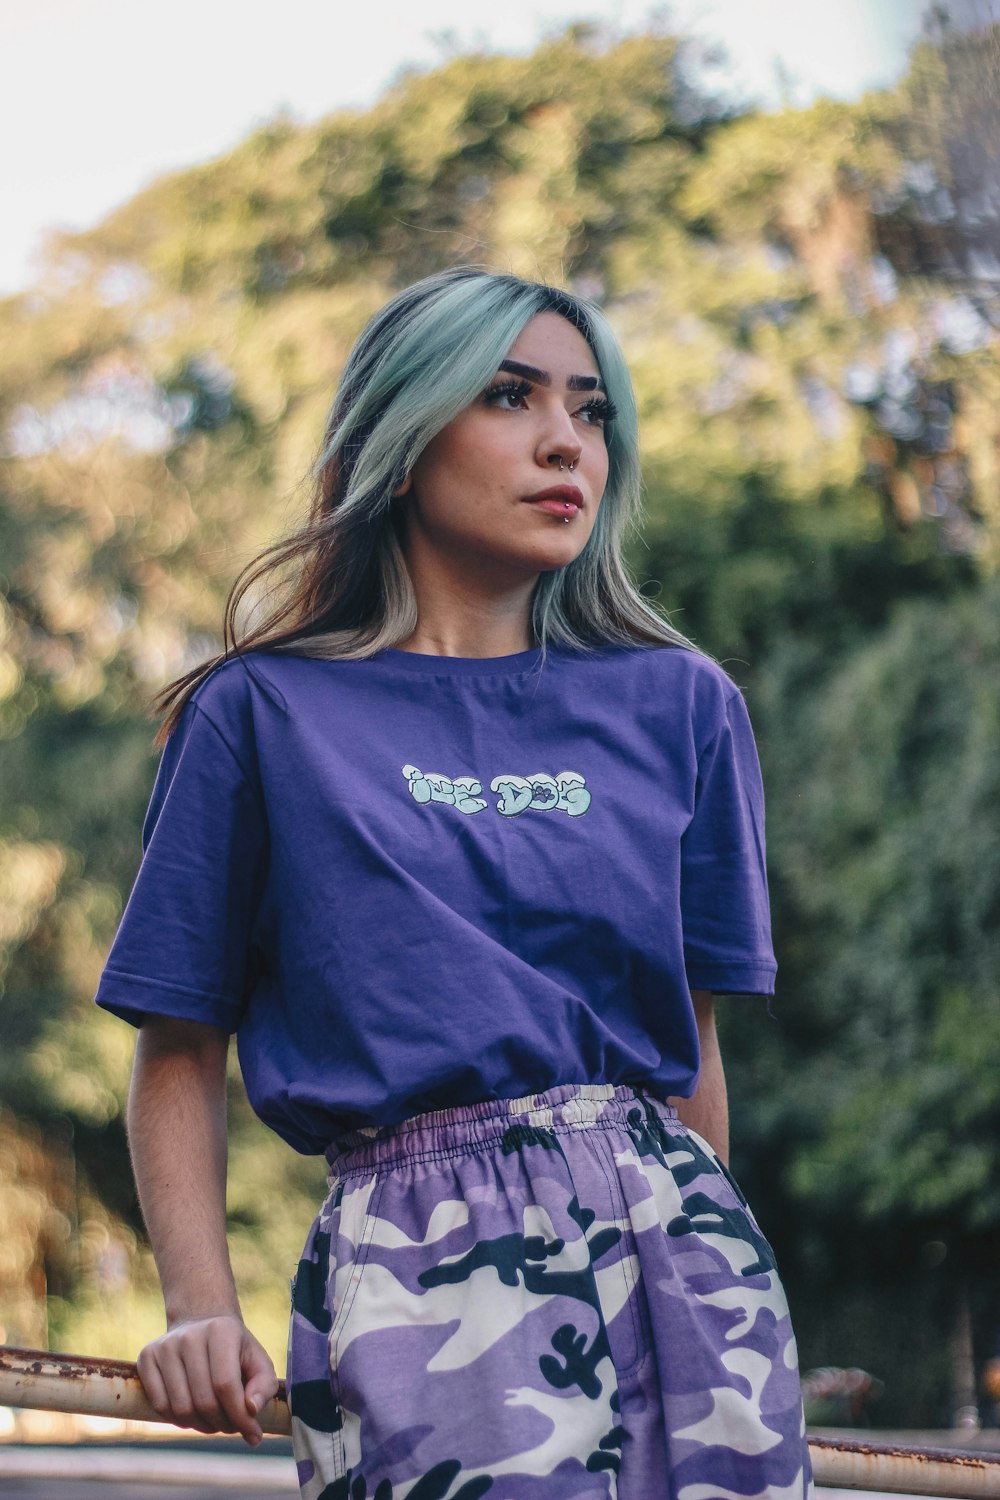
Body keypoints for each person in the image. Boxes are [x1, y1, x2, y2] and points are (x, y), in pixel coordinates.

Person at [95, 266, 814, 1498]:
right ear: (403, 436)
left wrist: (713, 1274)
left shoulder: (680, 703)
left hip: (685, 1262)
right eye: (508, 397)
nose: (564, 443)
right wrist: (198, 1309)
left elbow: (690, 1058)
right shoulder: (260, 716)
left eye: (591, 412)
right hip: (424, 1274)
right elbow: (178, 1049)